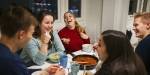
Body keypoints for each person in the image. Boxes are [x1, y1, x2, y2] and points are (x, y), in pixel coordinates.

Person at [0, 5, 65, 75]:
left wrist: (42, 70)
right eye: (31, 33)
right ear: (21, 34)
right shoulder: (11, 62)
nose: (31, 37)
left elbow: (25, 72)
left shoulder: (7, 55)